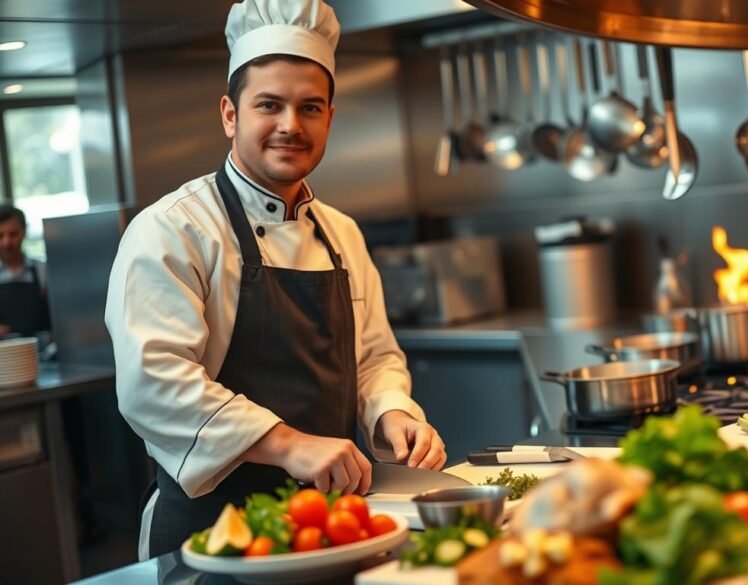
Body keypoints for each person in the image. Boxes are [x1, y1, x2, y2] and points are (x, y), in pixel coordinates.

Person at [105, 0, 446, 559]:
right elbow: (153, 383)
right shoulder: (173, 230)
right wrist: (289, 445)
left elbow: (375, 358)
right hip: (210, 533)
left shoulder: (342, 234)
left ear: (330, 118)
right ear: (229, 115)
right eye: (270, 105)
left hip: (331, 525)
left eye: (310, 107)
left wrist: (391, 413)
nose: (291, 125)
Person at [0, 203, 50, 337]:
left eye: (13, 234)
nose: (7, 242)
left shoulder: (43, 270)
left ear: (24, 232)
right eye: (0, 236)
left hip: (42, 351)